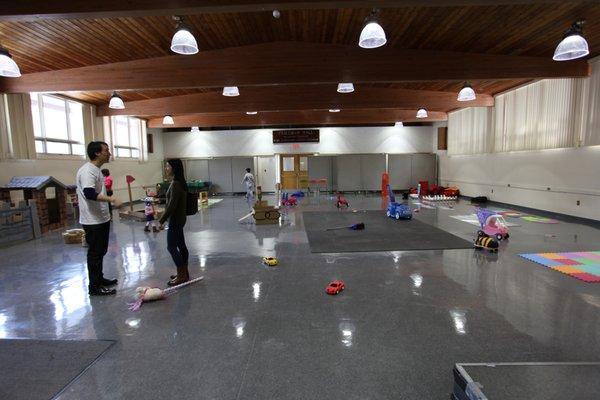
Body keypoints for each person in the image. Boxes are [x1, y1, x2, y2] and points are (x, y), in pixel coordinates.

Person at [76, 141, 122, 296]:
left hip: (101, 218)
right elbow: (89, 193)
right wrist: (111, 199)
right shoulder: (88, 171)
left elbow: (97, 192)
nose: (109, 153)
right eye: (106, 150)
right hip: (92, 220)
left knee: (100, 251)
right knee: (95, 253)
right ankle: (94, 287)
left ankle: (99, 279)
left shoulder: (97, 171)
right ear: (97, 153)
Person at [159, 159, 189, 286]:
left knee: (171, 247)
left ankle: (182, 274)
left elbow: (171, 205)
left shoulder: (176, 184)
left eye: (168, 166)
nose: (166, 168)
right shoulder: (179, 182)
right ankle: (184, 272)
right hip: (179, 219)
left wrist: (161, 220)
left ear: (174, 168)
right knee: (181, 245)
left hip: (175, 220)